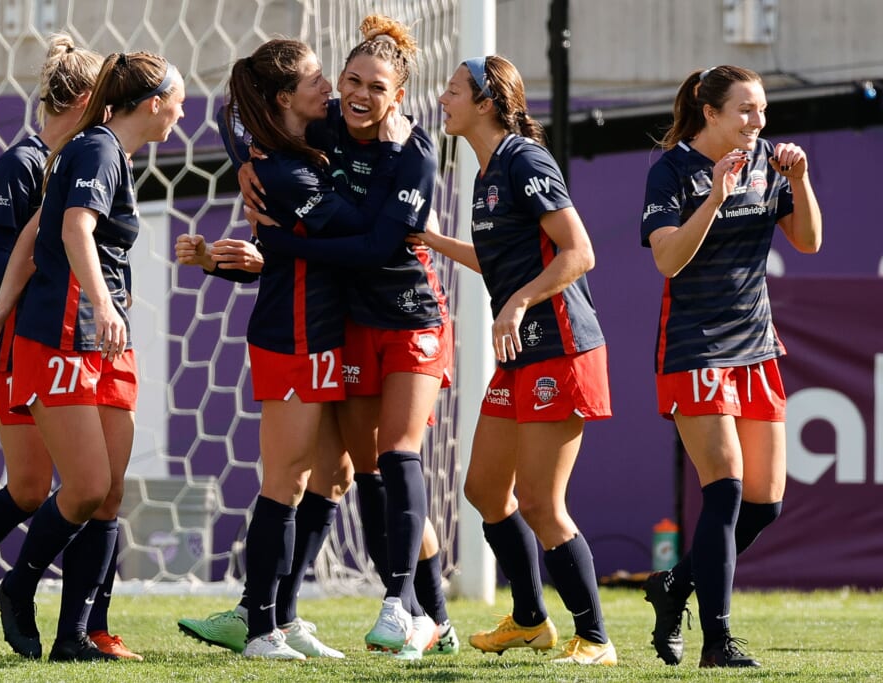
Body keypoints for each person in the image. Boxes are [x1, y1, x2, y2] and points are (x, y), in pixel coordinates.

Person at [178, 15, 455, 661]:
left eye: (370, 85)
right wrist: (250, 162)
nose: (344, 90)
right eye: (333, 78)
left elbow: (378, 243)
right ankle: (264, 619)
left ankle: (398, 609)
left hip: (402, 316)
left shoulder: (403, 150)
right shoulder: (304, 152)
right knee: (312, 476)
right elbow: (232, 110)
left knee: (358, 470)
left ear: (399, 94)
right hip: (320, 332)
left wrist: (267, 242)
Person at [0, 49, 185, 662]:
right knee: (82, 488)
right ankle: (18, 585)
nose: (181, 117)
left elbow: (34, 232)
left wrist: (2, 305)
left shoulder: (106, 152)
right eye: (179, 103)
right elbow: (70, 230)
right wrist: (102, 304)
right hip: (65, 334)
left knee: (110, 494)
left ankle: (74, 637)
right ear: (154, 102)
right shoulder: (98, 149)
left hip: (104, 339)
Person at [0, 33, 137, 661]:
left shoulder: (89, 157)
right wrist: (48, 232)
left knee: (96, 486)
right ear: (80, 99)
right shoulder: (23, 163)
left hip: (77, 340)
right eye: (102, 98)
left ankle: (87, 625)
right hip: (26, 342)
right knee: (28, 487)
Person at [418, 55, 617, 666]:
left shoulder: (525, 160)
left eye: (452, 90)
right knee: (483, 488)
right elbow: (498, 259)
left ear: (484, 102)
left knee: (539, 502)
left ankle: (596, 639)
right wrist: (431, 240)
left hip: (560, 346)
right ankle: (530, 620)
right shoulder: (488, 172)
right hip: (522, 353)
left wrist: (519, 304)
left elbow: (579, 252)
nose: (442, 99)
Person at [639, 65, 821, 669]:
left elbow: (808, 240)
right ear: (710, 112)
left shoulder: (770, 159)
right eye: (746, 110)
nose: (758, 122)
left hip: (756, 348)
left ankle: (674, 586)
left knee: (765, 503)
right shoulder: (672, 171)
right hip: (695, 346)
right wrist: (715, 196)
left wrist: (801, 178)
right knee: (726, 489)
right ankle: (717, 643)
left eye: (763, 110)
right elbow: (666, 260)